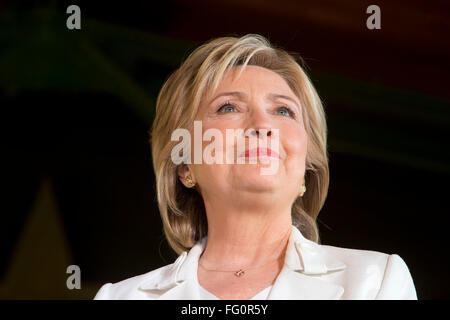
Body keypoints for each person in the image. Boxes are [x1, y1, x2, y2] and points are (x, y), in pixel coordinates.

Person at [94, 34, 417, 300]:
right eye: (229, 107)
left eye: (284, 111)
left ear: (306, 166)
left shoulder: (375, 280)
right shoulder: (119, 297)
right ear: (185, 165)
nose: (262, 123)